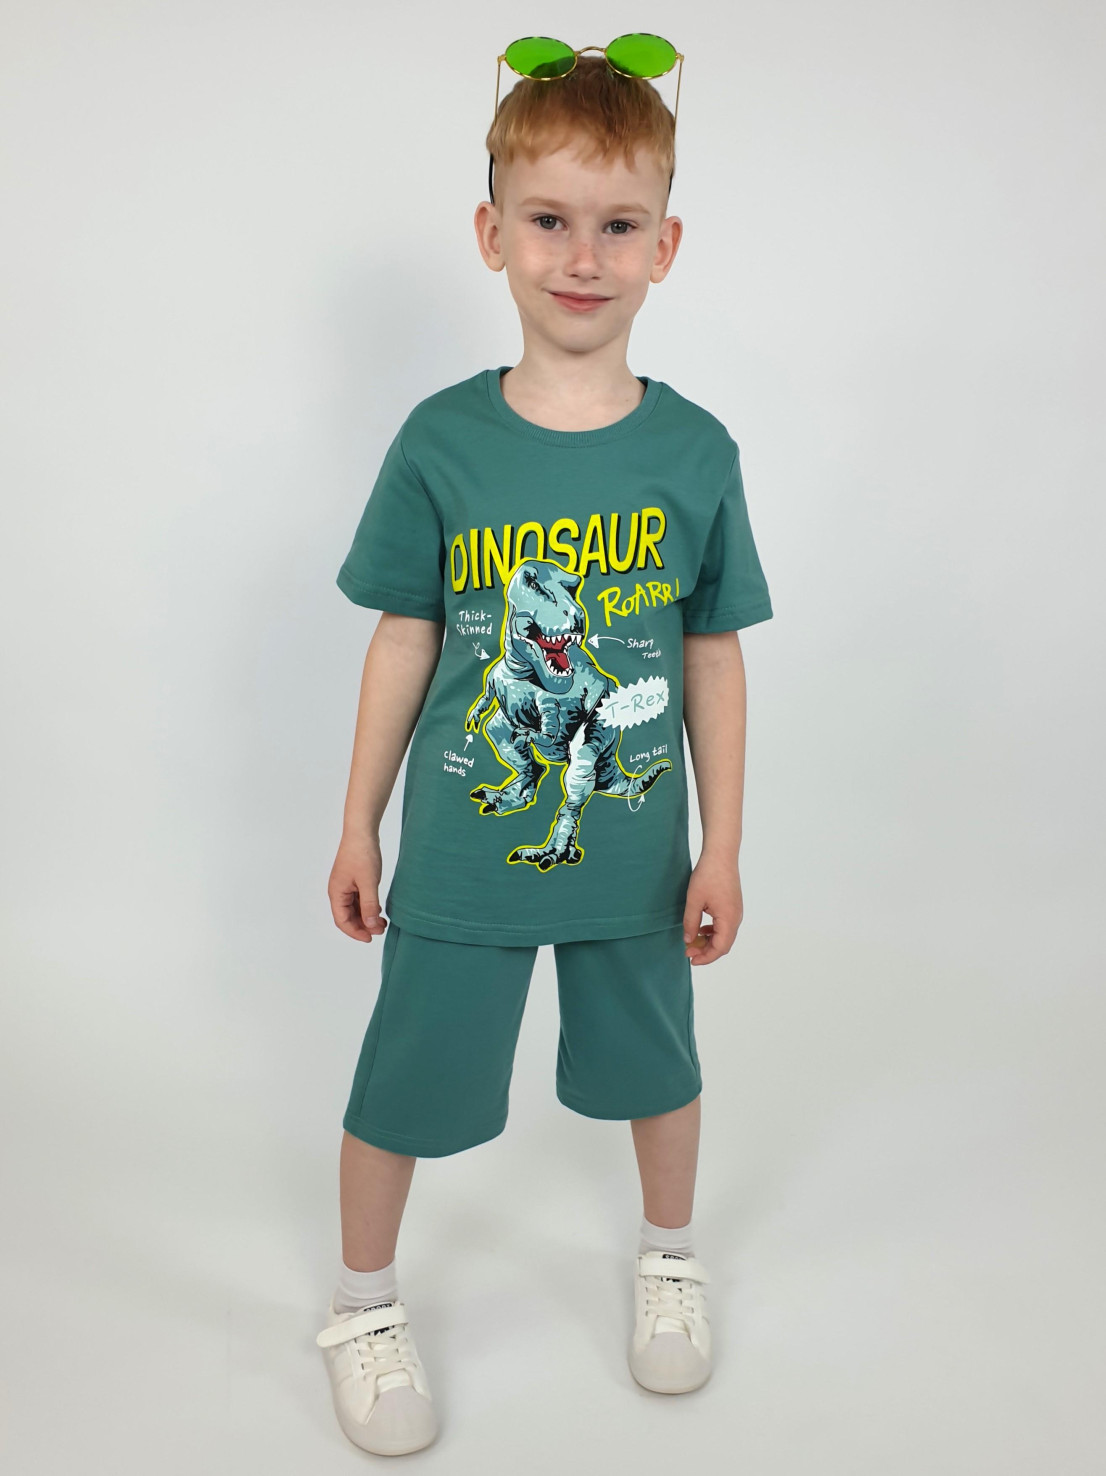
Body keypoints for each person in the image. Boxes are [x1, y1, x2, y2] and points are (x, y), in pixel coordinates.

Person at [315, 45, 773, 1457]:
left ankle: (670, 1259)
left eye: (617, 224)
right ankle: (362, 1302)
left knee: (658, 1066)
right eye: (550, 220)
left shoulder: (694, 452)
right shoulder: (440, 441)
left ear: (665, 246)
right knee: (405, 1072)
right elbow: (404, 637)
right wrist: (358, 823)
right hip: (463, 852)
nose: (582, 257)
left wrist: (722, 845)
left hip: (634, 858)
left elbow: (710, 656)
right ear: (492, 232)